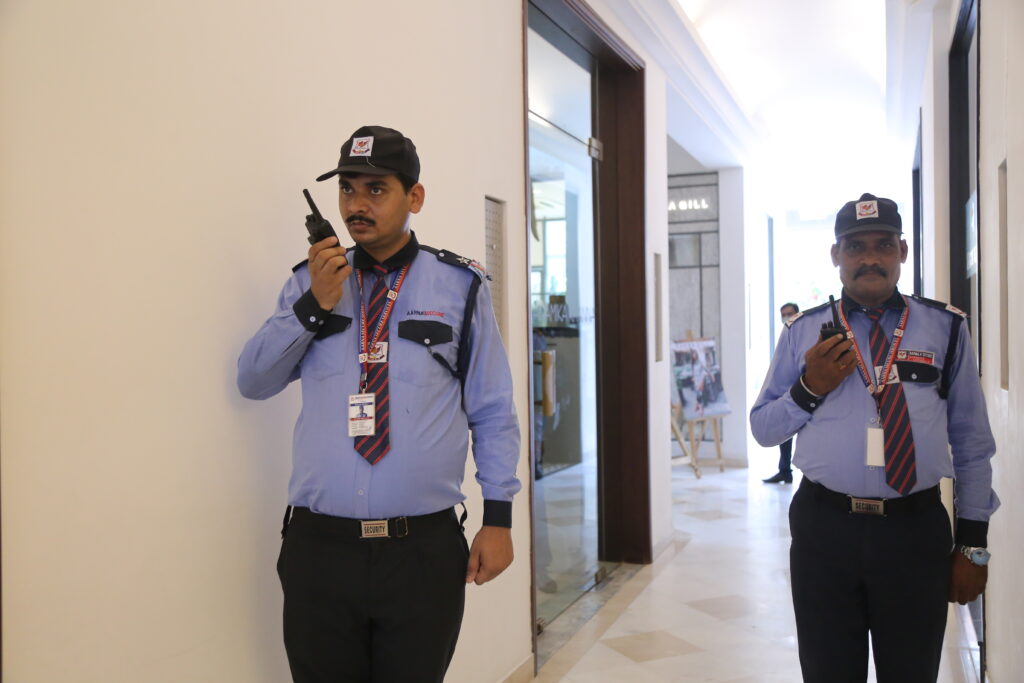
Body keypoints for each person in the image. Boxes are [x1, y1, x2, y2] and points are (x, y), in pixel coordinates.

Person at [237, 125, 521, 683]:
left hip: (422, 552)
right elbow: (254, 381)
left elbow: (492, 409)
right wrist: (314, 305)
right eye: (347, 189)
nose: (356, 205)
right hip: (321, 549)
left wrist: (499, 519)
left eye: (375, 189)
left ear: (414, 197)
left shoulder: (460, 286)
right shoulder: (310, 283)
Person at [750, 193, 997, 682]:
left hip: (914, 532)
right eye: (855, 246)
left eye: (883, 245)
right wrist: (808, 388)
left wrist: (973, 546)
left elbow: (972, 443)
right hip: (825, 530)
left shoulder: (945, 328)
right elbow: (763, 429)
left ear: (902, 251)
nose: (870, 258)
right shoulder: (803, 332)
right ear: (836, 255)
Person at [763, 302, 800, 484]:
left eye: (789, 313)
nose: (786, 317)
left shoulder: (803, 333)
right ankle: (784, 471)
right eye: (783, 314)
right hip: (787, 392)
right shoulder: (785, 334)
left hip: (804, 390)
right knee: (784, 434)